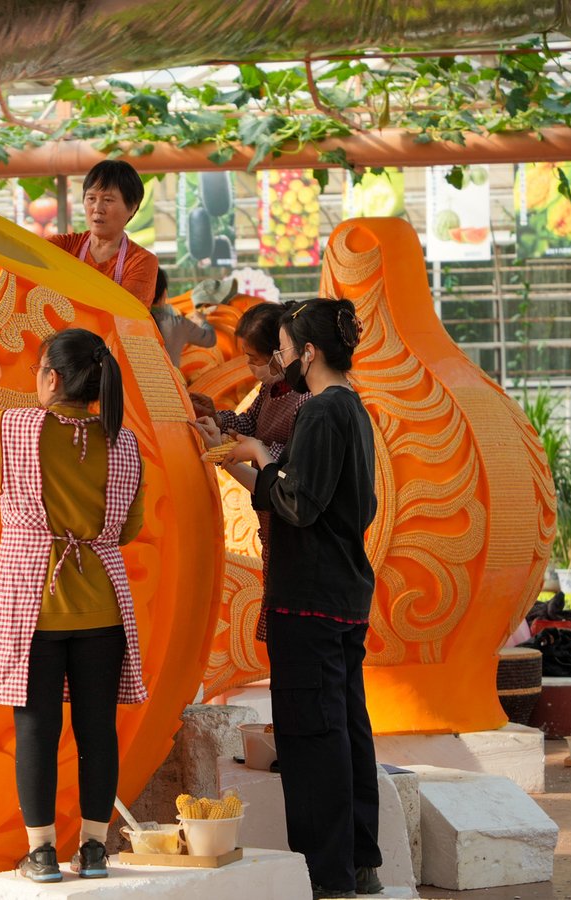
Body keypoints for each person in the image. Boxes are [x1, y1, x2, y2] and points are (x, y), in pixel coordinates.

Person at [0, 329, 146, 883]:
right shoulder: (123, 442)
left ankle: (42, 853)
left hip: (31, 605)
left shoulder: (14, 428)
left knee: (36, 732)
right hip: (103, 608)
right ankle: (94, 850)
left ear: (51, 378)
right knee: (98, 732)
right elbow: (128, 528)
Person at [193, 298, 382, 899]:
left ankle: (328, 875)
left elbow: (297, 503)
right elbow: (316, 498)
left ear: (310, 352)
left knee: (312, 737)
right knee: (345, 727)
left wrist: (257, 454)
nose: (279, 361)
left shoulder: (321, 411)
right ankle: (358, 861)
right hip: (340, 592)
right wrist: (236, 456)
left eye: (284, 350)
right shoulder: (351, 408)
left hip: (309, 596)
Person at [194, 300, 309, 641]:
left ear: (280, 352)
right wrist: (217, 418)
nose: (249, 366)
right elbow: (249, 423)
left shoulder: (307, 400)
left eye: (254, 358)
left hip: (288, 507)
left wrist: (249, 451)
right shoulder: (271, 388)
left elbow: (290, 459)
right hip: (269, 510)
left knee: (293, 610)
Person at [48, 160, 158, 308]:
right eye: (91, 198)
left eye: (108, 200)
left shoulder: (141, 262)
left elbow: (127, 314)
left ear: (132, 207)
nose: (97, 208)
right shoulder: (61, 247)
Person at [149, 268, 217, 366]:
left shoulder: (128, 321)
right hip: (169, 377)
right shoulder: (178, 324)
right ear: (164, 294)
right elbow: (210, 339)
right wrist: (202, 320)